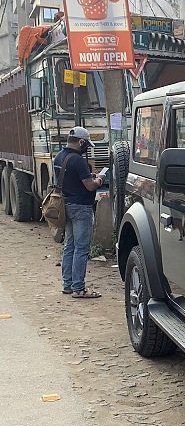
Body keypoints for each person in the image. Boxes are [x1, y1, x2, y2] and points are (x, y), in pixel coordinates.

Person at [54, 126, 105, 299]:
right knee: (81, 248)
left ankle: (68, 285)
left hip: (66, 205)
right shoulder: (78, 160)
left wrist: (86, 175)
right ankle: (79, 288)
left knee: (70, 245)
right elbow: (90, 186)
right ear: (81, 142)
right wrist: (99, 180)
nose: (86, 148)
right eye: (86, 144)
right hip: (81, 207)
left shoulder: (59, 157)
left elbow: (70, 178)